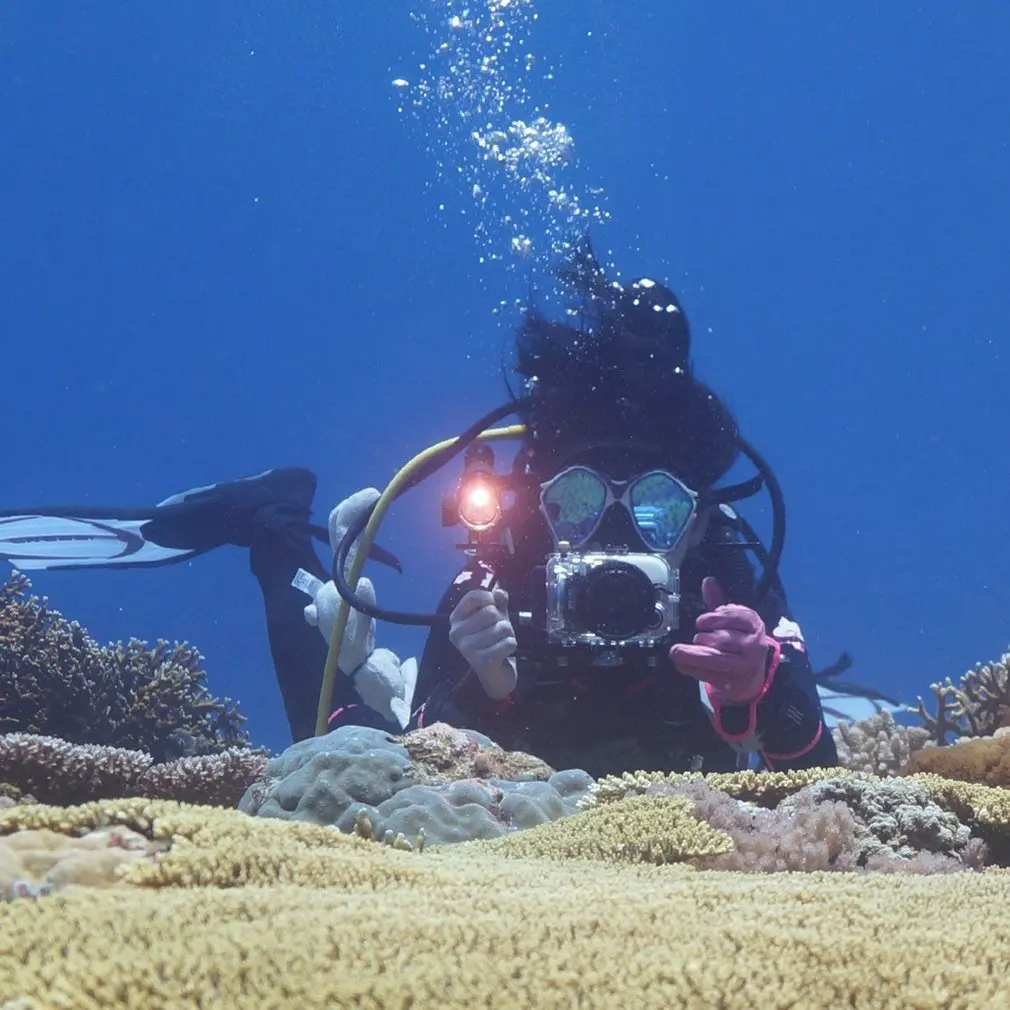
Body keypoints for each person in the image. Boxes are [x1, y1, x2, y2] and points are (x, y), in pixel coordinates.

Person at [0, 248, 873, 773]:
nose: (612, 529)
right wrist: (485, 692)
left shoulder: (720, 561)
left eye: (655, 506)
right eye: (570, 500)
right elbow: (424, 770)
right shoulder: (511, 556)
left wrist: (766, 690)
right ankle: (276, 528)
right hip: (520, 781)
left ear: (690, 505)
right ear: (542, 497)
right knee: (339, 744)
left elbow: (822, 781)